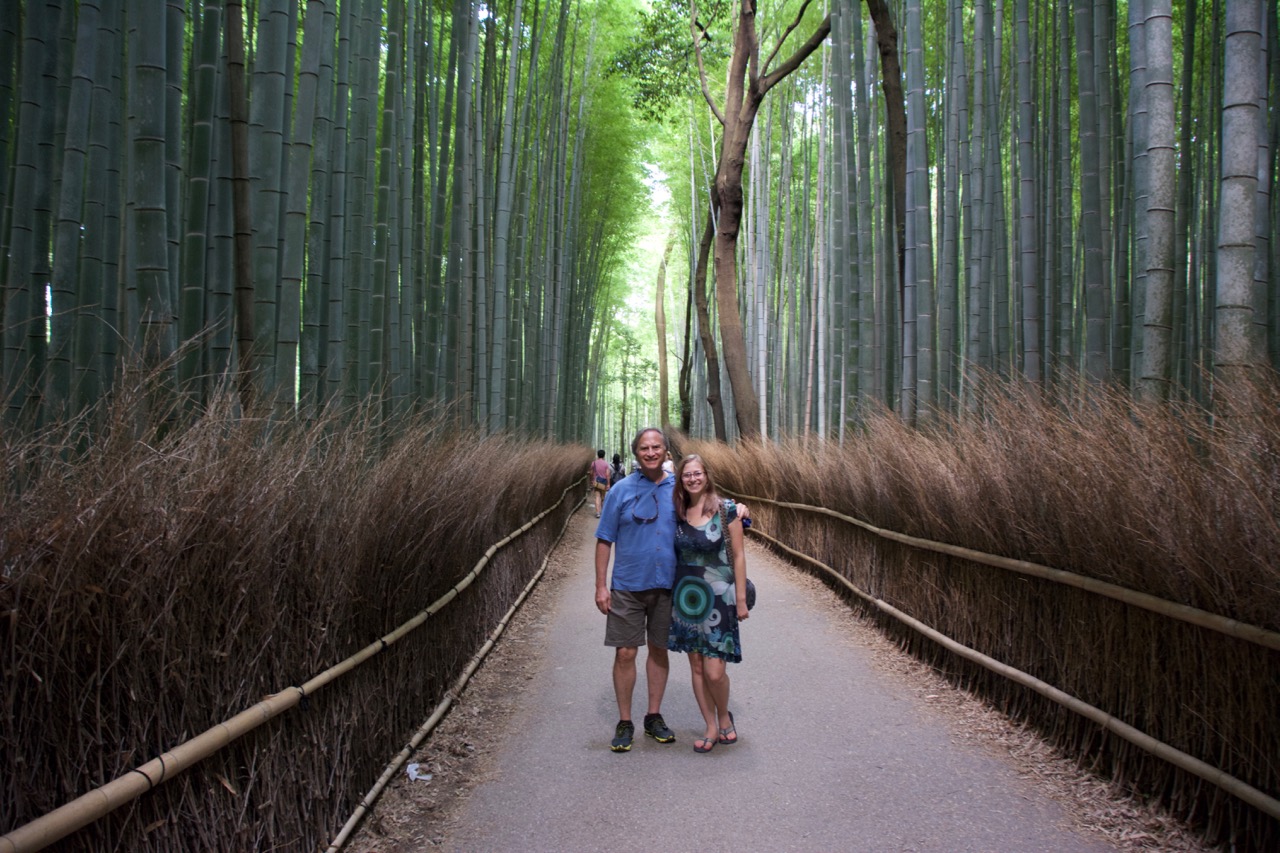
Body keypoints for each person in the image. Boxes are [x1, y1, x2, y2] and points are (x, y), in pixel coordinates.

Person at [594, 427, 679, 752]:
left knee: (659, 649)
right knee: (625, 651)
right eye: (644, 447)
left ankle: (653, 715)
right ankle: (625, 720)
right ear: (636, 452)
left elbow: (708, 510)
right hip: (627, 584)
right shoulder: (621, 490)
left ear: (666, 451)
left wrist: (737, 509)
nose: (651, 452)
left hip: (667, 584)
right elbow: (604, 540)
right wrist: (601, 586)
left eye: (657, 447)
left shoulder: (679, 489)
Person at [667, 453, 748, 753]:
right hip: (686, 598)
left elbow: (738, 556)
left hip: (719, 597)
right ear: (681, 479)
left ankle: (724, 716)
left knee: (715, 671)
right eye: (687, 475)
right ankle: (711, 726)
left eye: (697, 473)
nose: (693, 479)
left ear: (707, 475)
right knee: (697, 668)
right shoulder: (677, 511)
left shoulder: (726, 509)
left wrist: (740, 599)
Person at [589, 449, 611, 518]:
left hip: (596, 482)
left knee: (597, 497)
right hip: (603, 483)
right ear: (604, 455)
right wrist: (608, 484)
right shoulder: (606, 464)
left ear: (598, 455)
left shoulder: (594, 463)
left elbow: (591, 473)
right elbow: (607, 474)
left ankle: (598, 512)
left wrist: (591, 480)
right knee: (603, 498)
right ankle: (603, 512)